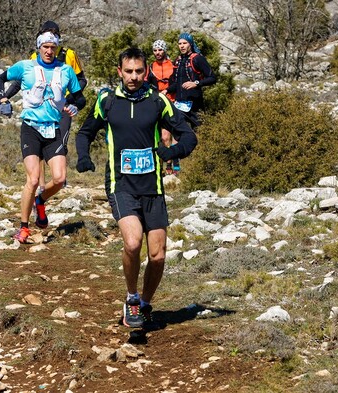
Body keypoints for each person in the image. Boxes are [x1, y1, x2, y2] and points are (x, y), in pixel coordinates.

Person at [76, 48, 197, 329]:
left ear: (146, 72)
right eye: (128, 71)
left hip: (152, 188)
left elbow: (189, 135)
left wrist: (173, 152)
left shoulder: (158, 101)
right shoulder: (106, 101)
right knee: (132, 243)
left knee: (158, 255)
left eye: (139, 71)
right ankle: (131, 297)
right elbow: (86, 132)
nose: (133, 77)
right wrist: (83, 156)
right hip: (121, 185)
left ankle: (144, 303)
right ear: (119, 72)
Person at [0, 30, 85, 244]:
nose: (49, 51)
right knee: (33, 179)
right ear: (39, 47)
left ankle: (40, 201)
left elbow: (80, 98)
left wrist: (74, 106)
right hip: (31, 129)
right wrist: (4, 99)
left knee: (60, 179)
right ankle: (24, 227)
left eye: (53, 47)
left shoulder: (66, 70)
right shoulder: (26, 66)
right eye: (45, 47)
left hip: (53, 129)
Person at [167, 32, 217, 129]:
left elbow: (212, 78)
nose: (182, 46)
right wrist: (167, 90)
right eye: (180, 44)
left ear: (190, 44)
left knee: (200, 132)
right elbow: (177, 83)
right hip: (179, 105)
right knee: (178, 133)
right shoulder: (177, 61)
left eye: (184, 43)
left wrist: (196, 83)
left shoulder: (197, 59)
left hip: (195, 105)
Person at [147, 39, 179, 175]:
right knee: (159, 137)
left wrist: (167, 90)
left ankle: (171, 163)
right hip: (156, 103)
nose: (157, 53)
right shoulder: (151, 66)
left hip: (171, 101)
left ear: (164, 50)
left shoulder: (172, 65)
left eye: (160, 50)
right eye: (155, 50)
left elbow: (178, 82)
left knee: (169, 136)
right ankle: (159, 165)